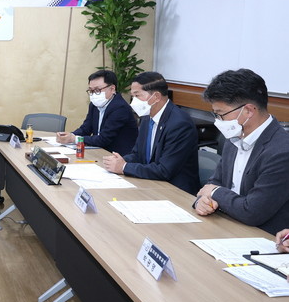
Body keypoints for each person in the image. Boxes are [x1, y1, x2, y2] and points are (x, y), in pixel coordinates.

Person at [193, 69, 289, 235]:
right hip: (226, 226)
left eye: (221, 114)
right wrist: (202, 201)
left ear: (248, 111)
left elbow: (253, 211)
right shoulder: (234, 137)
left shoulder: (281, 151)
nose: (218, 121)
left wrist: (214, 192)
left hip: (261, 237)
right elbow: (213, 183)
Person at [102, 72, 199, 194]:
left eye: (137, 95)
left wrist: (124, 167)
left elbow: (165, 170)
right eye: (132, 96)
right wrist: (119, 161)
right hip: (152, 183)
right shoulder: (147, 117)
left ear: (156, 97)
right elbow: (138, 154)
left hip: (176, 191)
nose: (133, 101)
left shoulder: (180, 124)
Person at [56, 69, 138, 155]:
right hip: (99, 152)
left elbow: (104, 139)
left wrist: (74, 139)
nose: (94, 94)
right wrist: (69, 135)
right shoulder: (94, 104)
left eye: (97, 90)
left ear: (112, 89)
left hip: (118, 156)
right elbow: (86, 129)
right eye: (91, 91)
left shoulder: (120, 108)